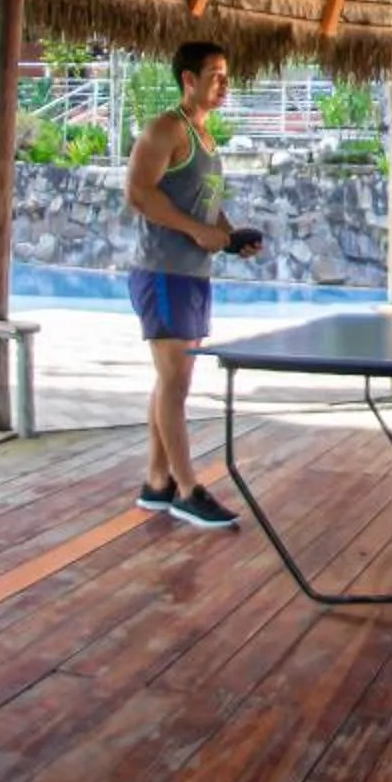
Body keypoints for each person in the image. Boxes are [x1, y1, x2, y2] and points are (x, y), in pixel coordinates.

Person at [125, 41, 261, 528]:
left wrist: (227, 235)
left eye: (227, 74)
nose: (224, 83)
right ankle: (187, 489)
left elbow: (203, 205)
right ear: (188, 79)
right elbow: (139, 193)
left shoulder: (204, 136)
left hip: (192, 273)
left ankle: (157, 482)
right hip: (163, 271)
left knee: (171, 382)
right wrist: (196, 231)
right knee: (176, 384)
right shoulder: (167, 128)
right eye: (215, 74)